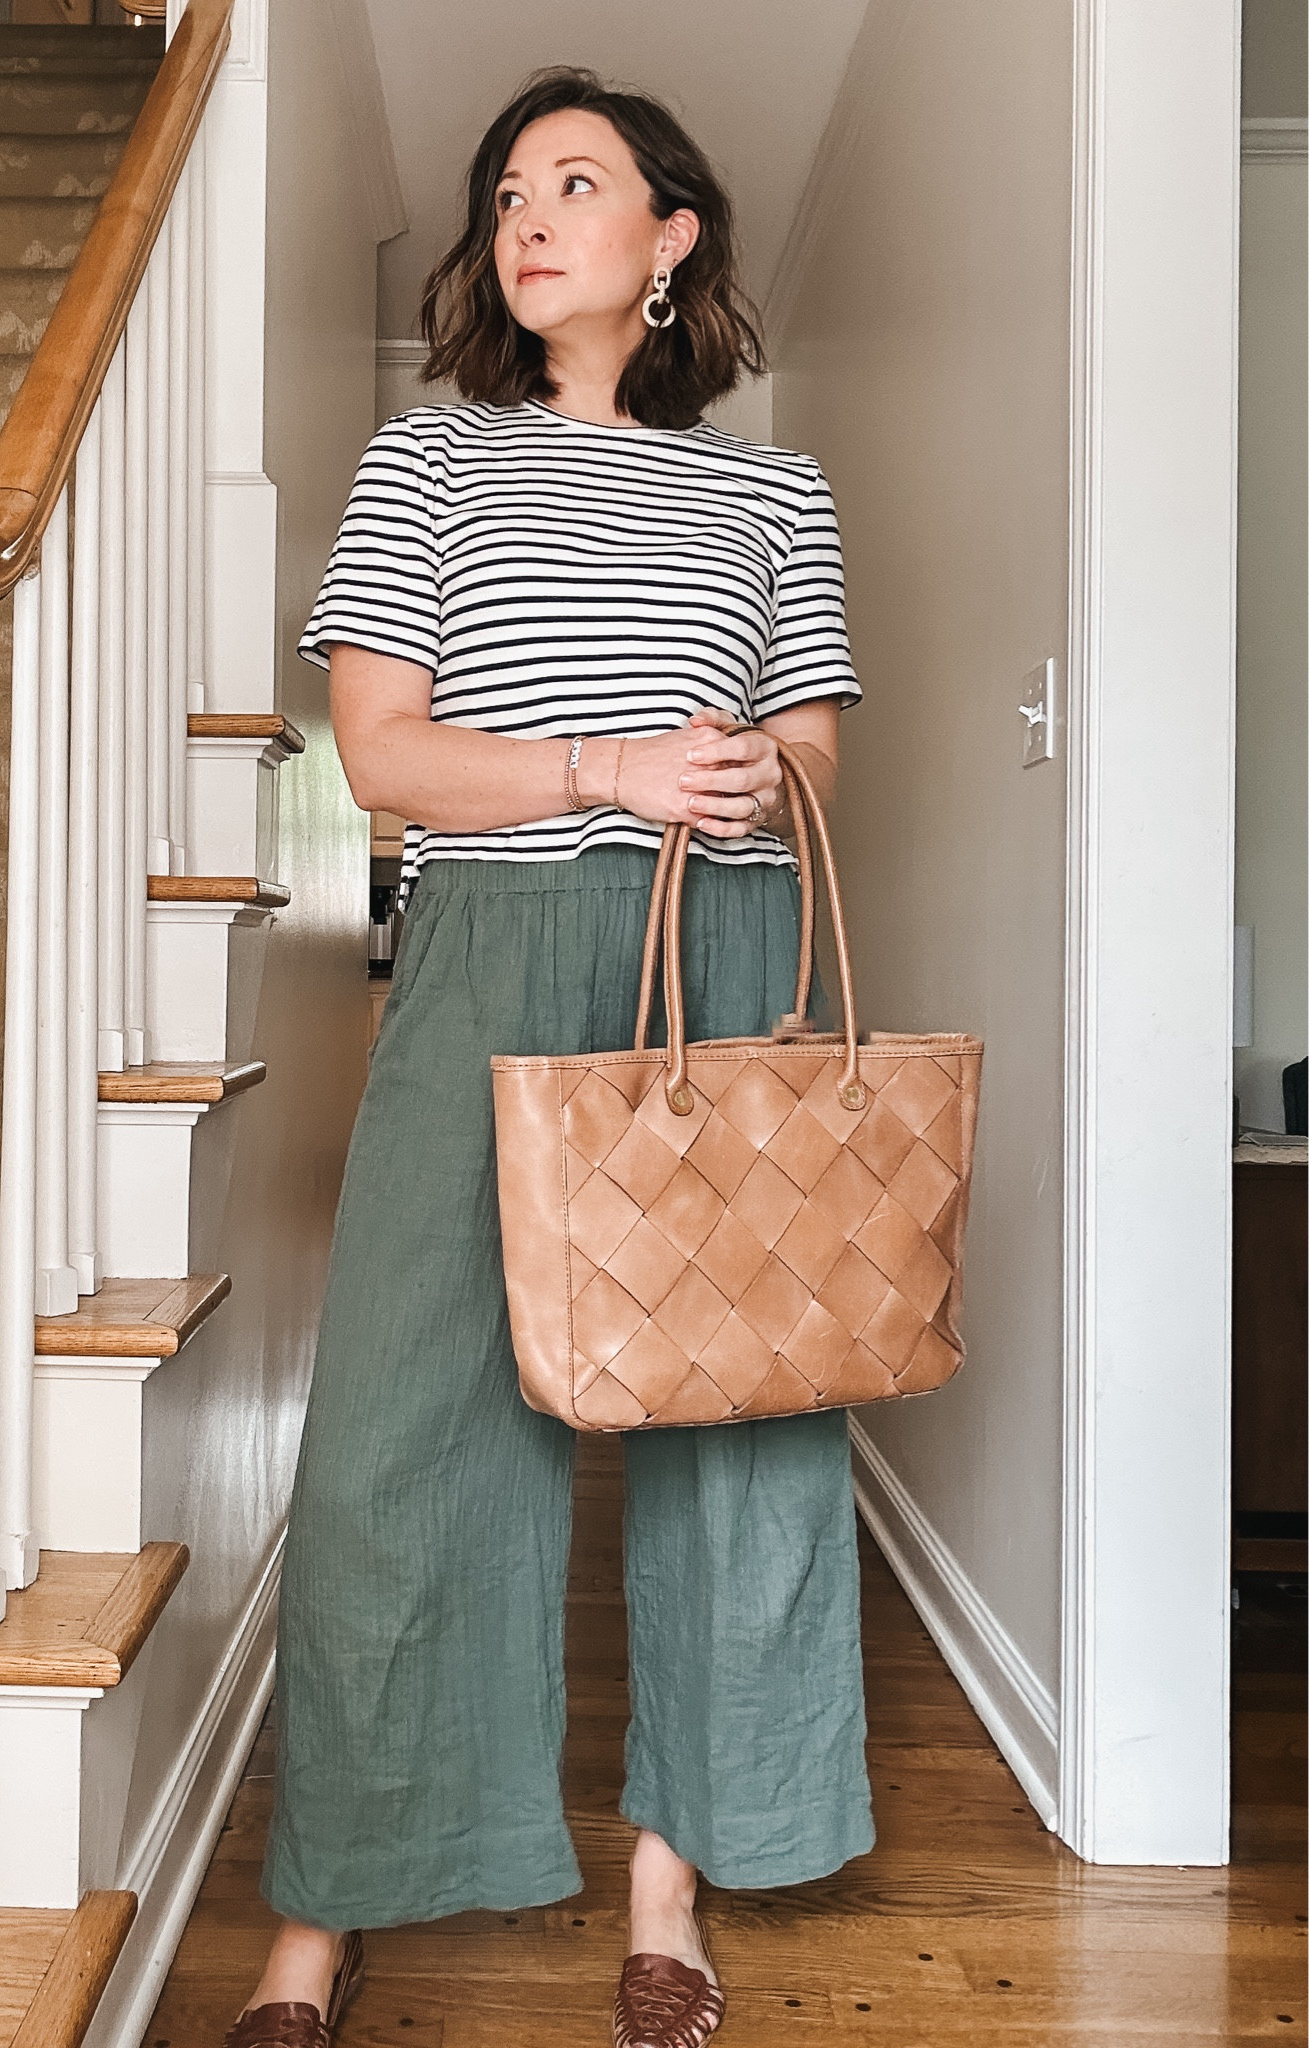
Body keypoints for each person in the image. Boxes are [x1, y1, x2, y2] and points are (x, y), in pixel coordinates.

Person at [229, 65, 872, 2048]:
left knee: (737, 1416)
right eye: (508, 190)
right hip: (494, 945)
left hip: (718, 948)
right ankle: (330, 1905)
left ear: (670, 237)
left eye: (575, 184)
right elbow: (382, 755)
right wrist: (604, 765)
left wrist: (747, 777)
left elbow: (815, 748)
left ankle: (673, 1885)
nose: (527, 216)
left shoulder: (773, 491)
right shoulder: (424, 457)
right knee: (400, 1430)